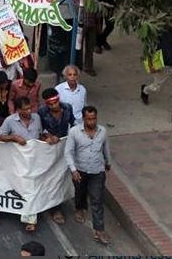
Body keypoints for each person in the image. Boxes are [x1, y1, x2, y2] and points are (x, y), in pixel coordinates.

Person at [64, 105, 111, 245]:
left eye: (94, 119)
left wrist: (108, 161)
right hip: (80, 171)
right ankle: (80, 208)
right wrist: (73, 170)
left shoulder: (103, 131)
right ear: (83, 118)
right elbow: (68, 152)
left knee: (97, 199)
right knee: (80, 192)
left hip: (97, 171)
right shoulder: (74, 132)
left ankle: (99, 230)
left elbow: (106, 147)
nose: (92, 122)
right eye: (89, 119)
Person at [0, 97, 43, 231]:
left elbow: (40, 135)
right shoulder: (10, 121)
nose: (29, 111)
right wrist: (14, 137)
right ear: (18, 110)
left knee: (31, 188)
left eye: (30, 108)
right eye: (25, 109)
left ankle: (30, 218)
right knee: (21, 188)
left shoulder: (37, 118)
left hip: (34, 160)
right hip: (17, 162)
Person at [141, 24, 172, 129]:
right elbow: (149, 46)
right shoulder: (160, 31)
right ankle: (145, 90)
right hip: (162, 65)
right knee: (156, 87)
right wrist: (150, 64)